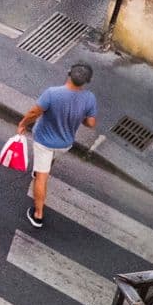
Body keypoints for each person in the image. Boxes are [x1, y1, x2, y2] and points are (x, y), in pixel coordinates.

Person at [17, 63, 97, 229]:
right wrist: (79, 115)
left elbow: (34, 112)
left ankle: (38, 215)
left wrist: (23, 123)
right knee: (50, 160)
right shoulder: (89, 98)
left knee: (42, 178)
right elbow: (90, 123)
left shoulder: (52, 94)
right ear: (87, 81)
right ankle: (40, 170)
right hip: (65, 143)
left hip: (44, 142)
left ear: (69, 73)